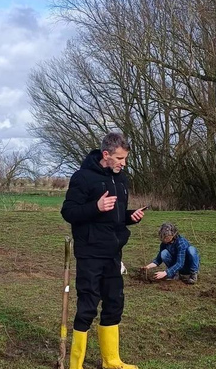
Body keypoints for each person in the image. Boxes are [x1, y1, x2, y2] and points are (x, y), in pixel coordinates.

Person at [61, 132, 146, 369]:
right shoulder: (83, 178)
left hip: (113, 251)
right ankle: (75, 364)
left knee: (114, 302)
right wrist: (95, 207)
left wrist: (130, 217)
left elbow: (115, 216)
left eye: (125, 159)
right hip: (90, 252)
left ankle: (111, 361)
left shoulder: (121, 179)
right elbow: (69, 212)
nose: (123, 163)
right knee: (88, 304)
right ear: (105, 154)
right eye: (119, 158)